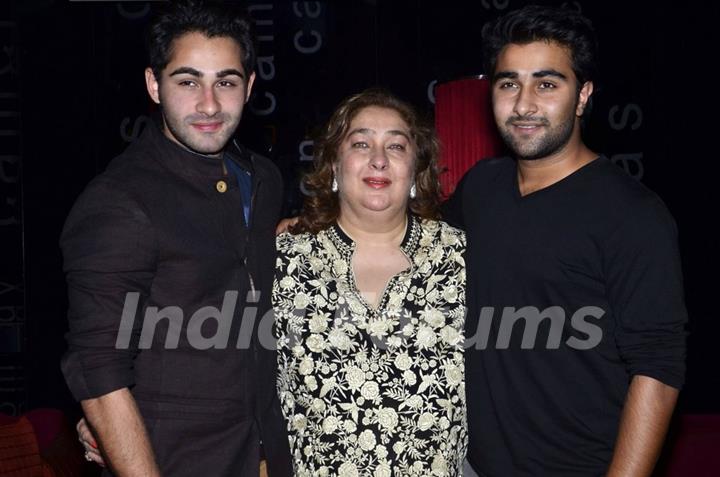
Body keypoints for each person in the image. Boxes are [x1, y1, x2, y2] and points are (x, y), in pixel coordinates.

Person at [443, 5, 687, 476]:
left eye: (547, 84)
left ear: (582, 96)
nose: (524, 104)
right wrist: (314, 226)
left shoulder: (632, 214)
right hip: (471, 466)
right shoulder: (481, 188)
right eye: (508, 83)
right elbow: (409, 242)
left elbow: (657, 370)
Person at [62, 1, 291, 475]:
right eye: (187, 82)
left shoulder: (263, 179)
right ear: (153, 85)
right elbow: (99, 374)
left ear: (248, 87)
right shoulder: (120, 200)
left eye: (225, 82)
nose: (209, 104)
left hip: (267, 453)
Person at [273, 89, 468, 476]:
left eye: (396, 146)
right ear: (332, 165)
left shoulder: (459, 255)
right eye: (361, 143)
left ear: (415, 169)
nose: (379, 159)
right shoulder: (284, 258)